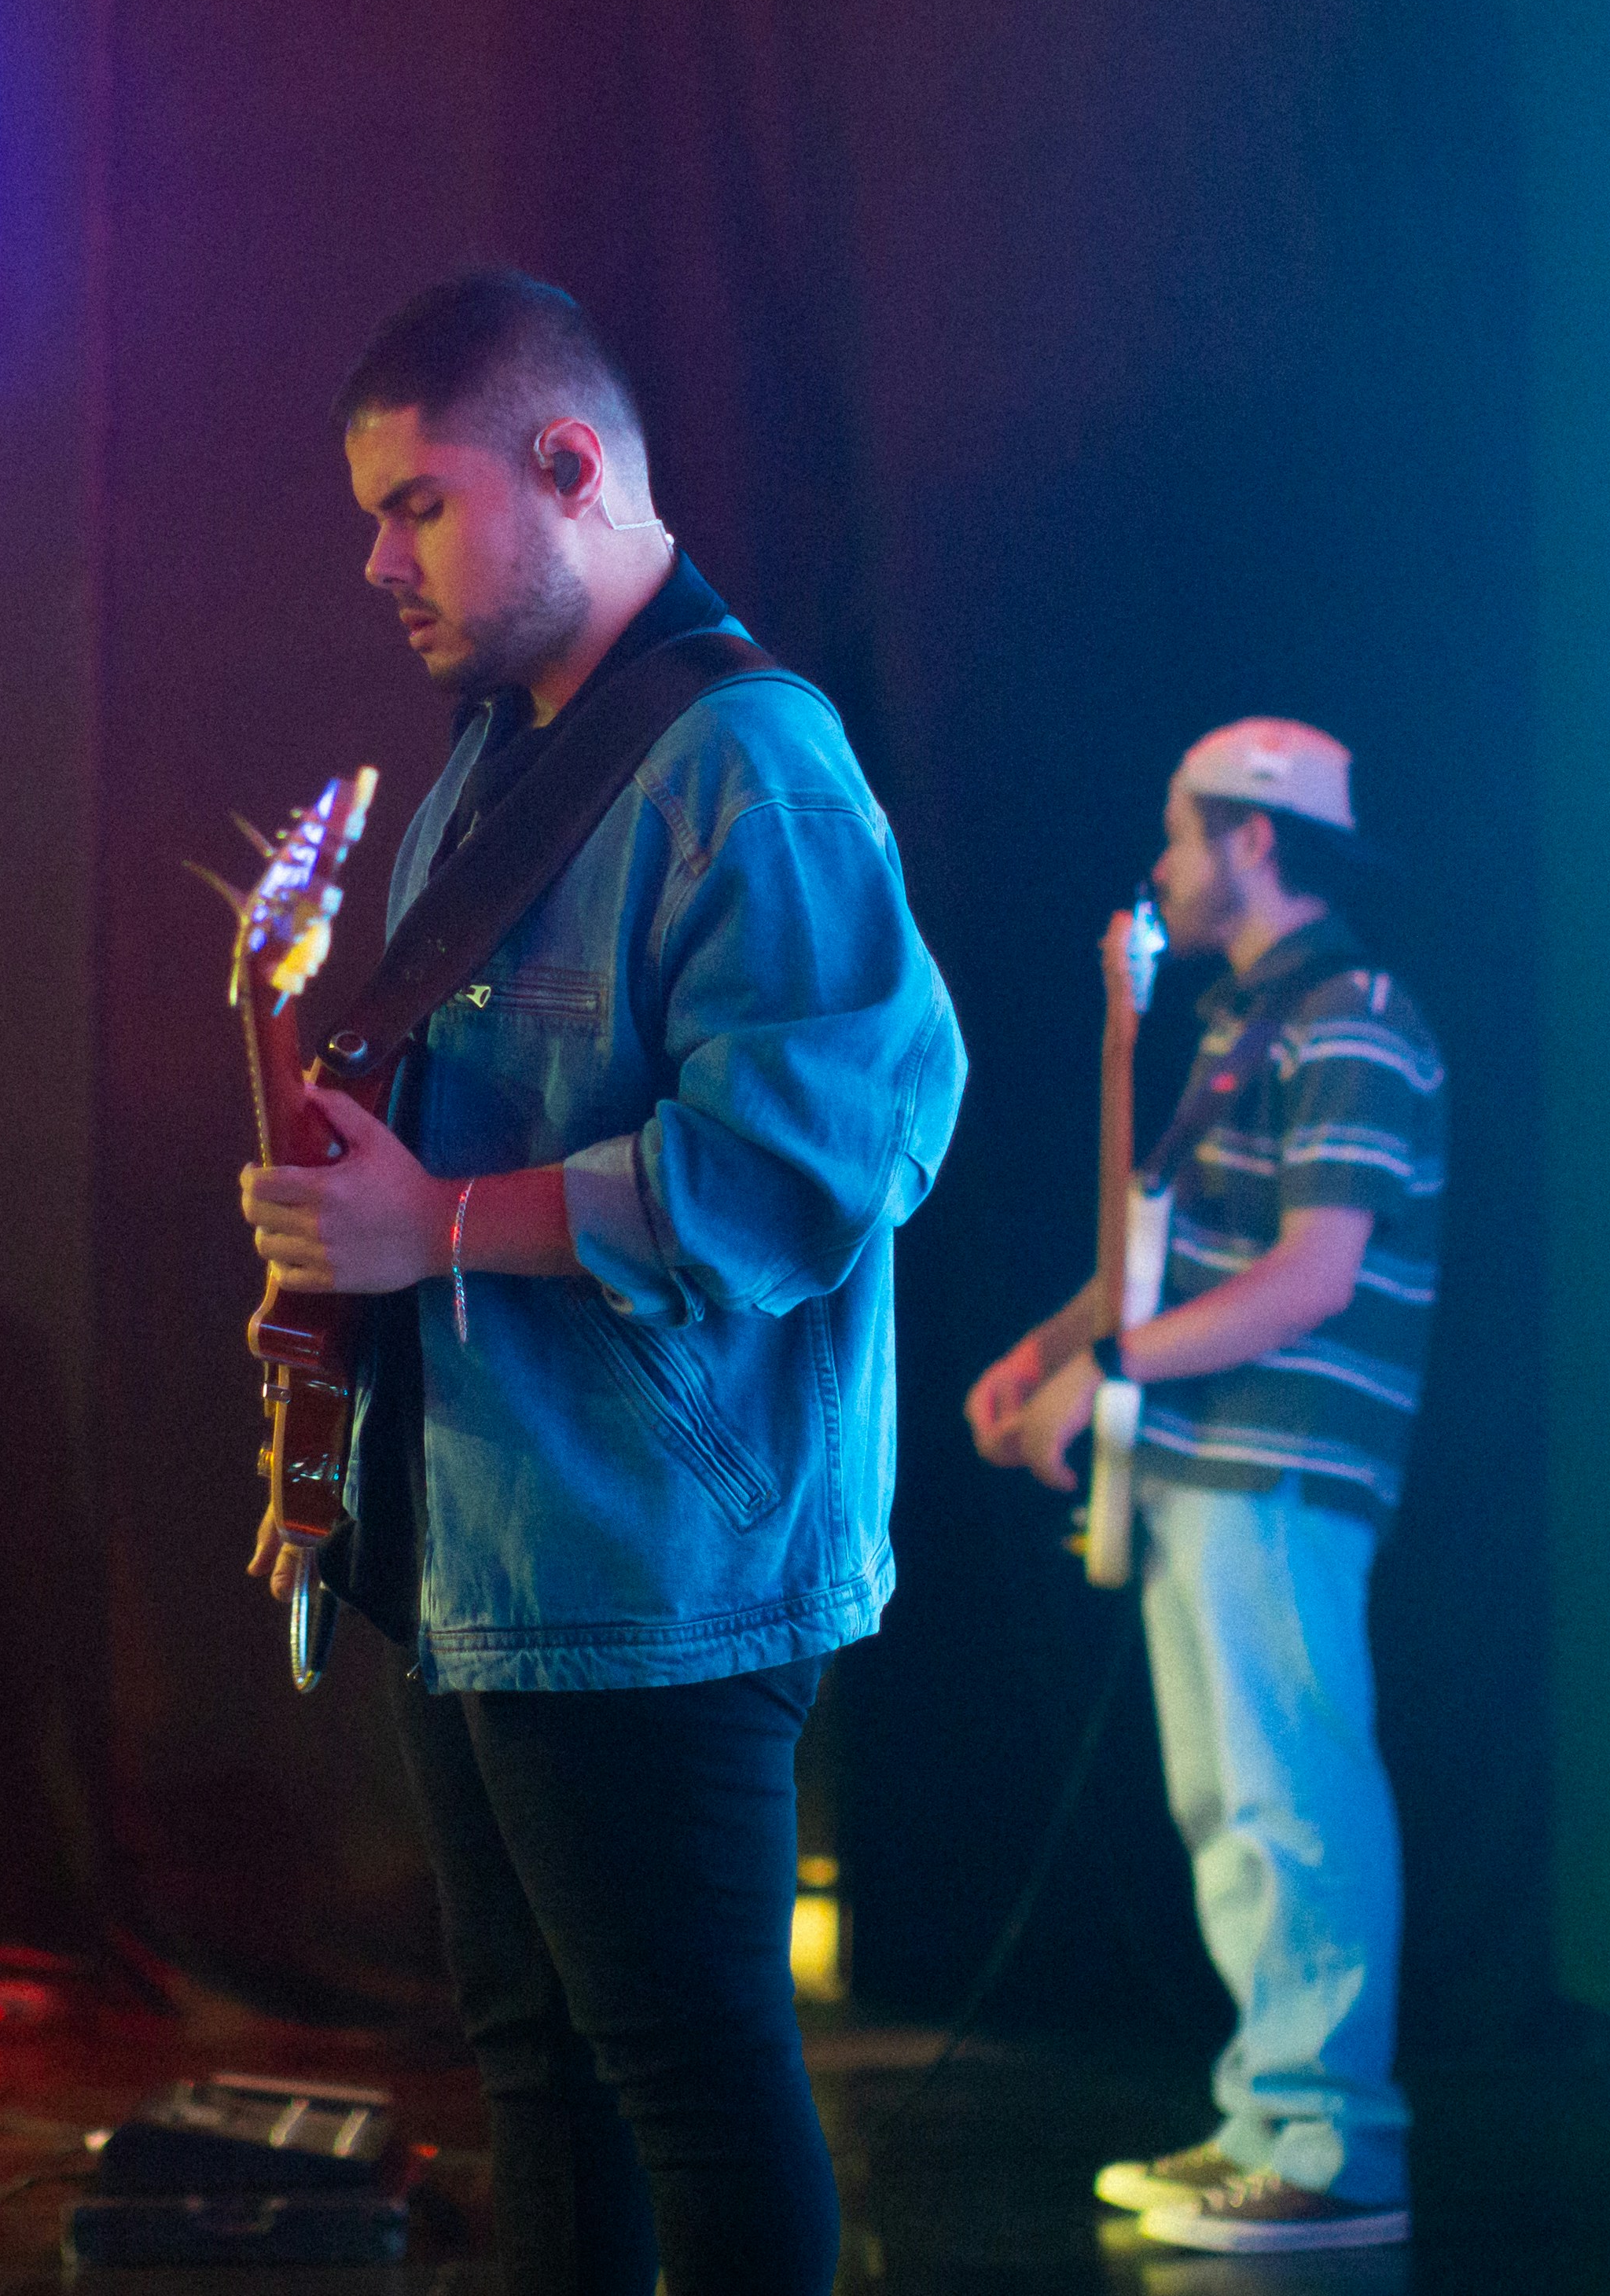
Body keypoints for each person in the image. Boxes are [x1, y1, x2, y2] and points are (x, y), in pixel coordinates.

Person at [239, 270, 966, 2296]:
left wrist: (439, 1229)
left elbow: (819, 1162)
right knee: (537, 2078)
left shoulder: (757, 766)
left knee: (692, 2082)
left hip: (655, 1567)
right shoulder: (483, 758)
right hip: (481, 1532)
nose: (373, 558)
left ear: (569, 466)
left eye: (415, 505)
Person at [959, 718, 1443, 2256]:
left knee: (1286, 1789)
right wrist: (1048, 1346)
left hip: (1280, 1463)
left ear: (1252, 839)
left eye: (1177, 834)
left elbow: (1309, 1276)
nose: (1158, 868)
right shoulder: (1248, 1022)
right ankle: (1266, 2119)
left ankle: (1329, 2141)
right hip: (1205, 1465)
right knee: (1225, 1797)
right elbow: (1161, 1251)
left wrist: (1102, 1377)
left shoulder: (1353, 1014)